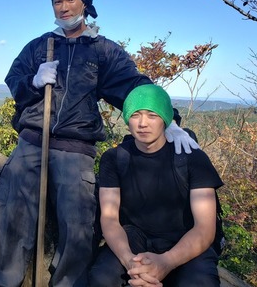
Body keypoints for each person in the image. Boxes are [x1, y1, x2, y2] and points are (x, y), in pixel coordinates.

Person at [0, 0, 198, 287]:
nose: (64, 7)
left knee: (79, 223)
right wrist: (33, 80)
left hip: (76, 148)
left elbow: (134, 87)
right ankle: (1, 282)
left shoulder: (102, 50)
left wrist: (170, 119)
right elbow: (14, 79)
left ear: (85, 3)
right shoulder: (40, 45)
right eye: (57, 1)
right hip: (31, 141)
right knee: (11, 214)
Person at [88, 84, 222, 287]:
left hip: (185, 238)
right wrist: (130, 262)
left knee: (199, 283)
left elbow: (204, 228)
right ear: (126, 119)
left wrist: (166, 262)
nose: (142, 123)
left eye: (152, 115)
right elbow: (109, 218)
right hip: (134, 237)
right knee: (101, 278)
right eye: (135, 115)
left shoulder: (192, 159)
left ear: (165, 119)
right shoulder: (115, 159)